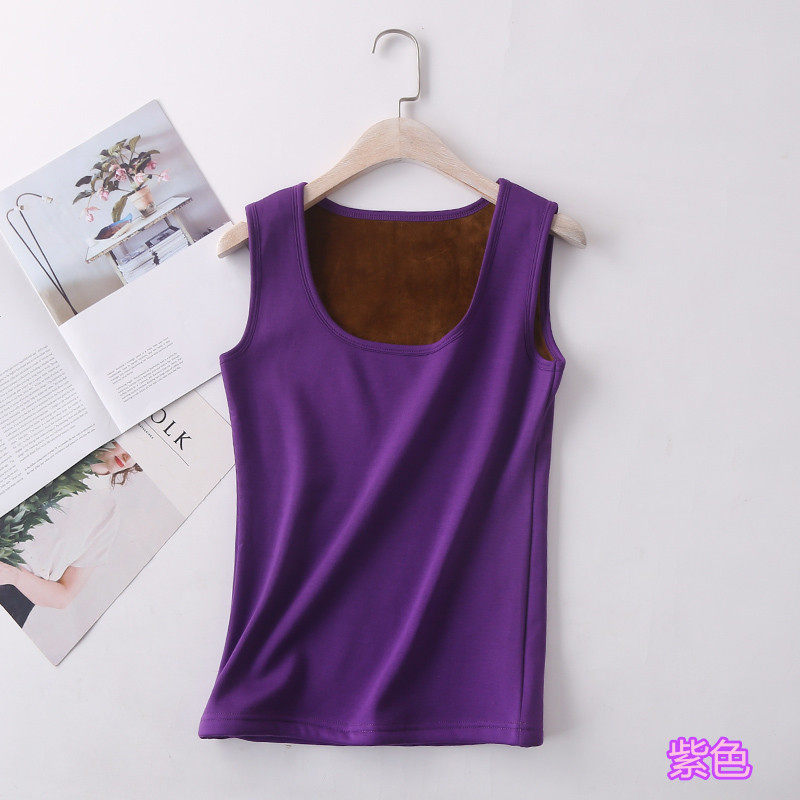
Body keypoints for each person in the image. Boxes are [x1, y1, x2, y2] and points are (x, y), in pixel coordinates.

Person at [0, 441, 141, 627]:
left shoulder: (107, 512)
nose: (128, 457)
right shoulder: (50, 454)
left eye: (139, 453)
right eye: (128, 444)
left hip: (13, 598)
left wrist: (14, 576)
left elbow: (65, 595)